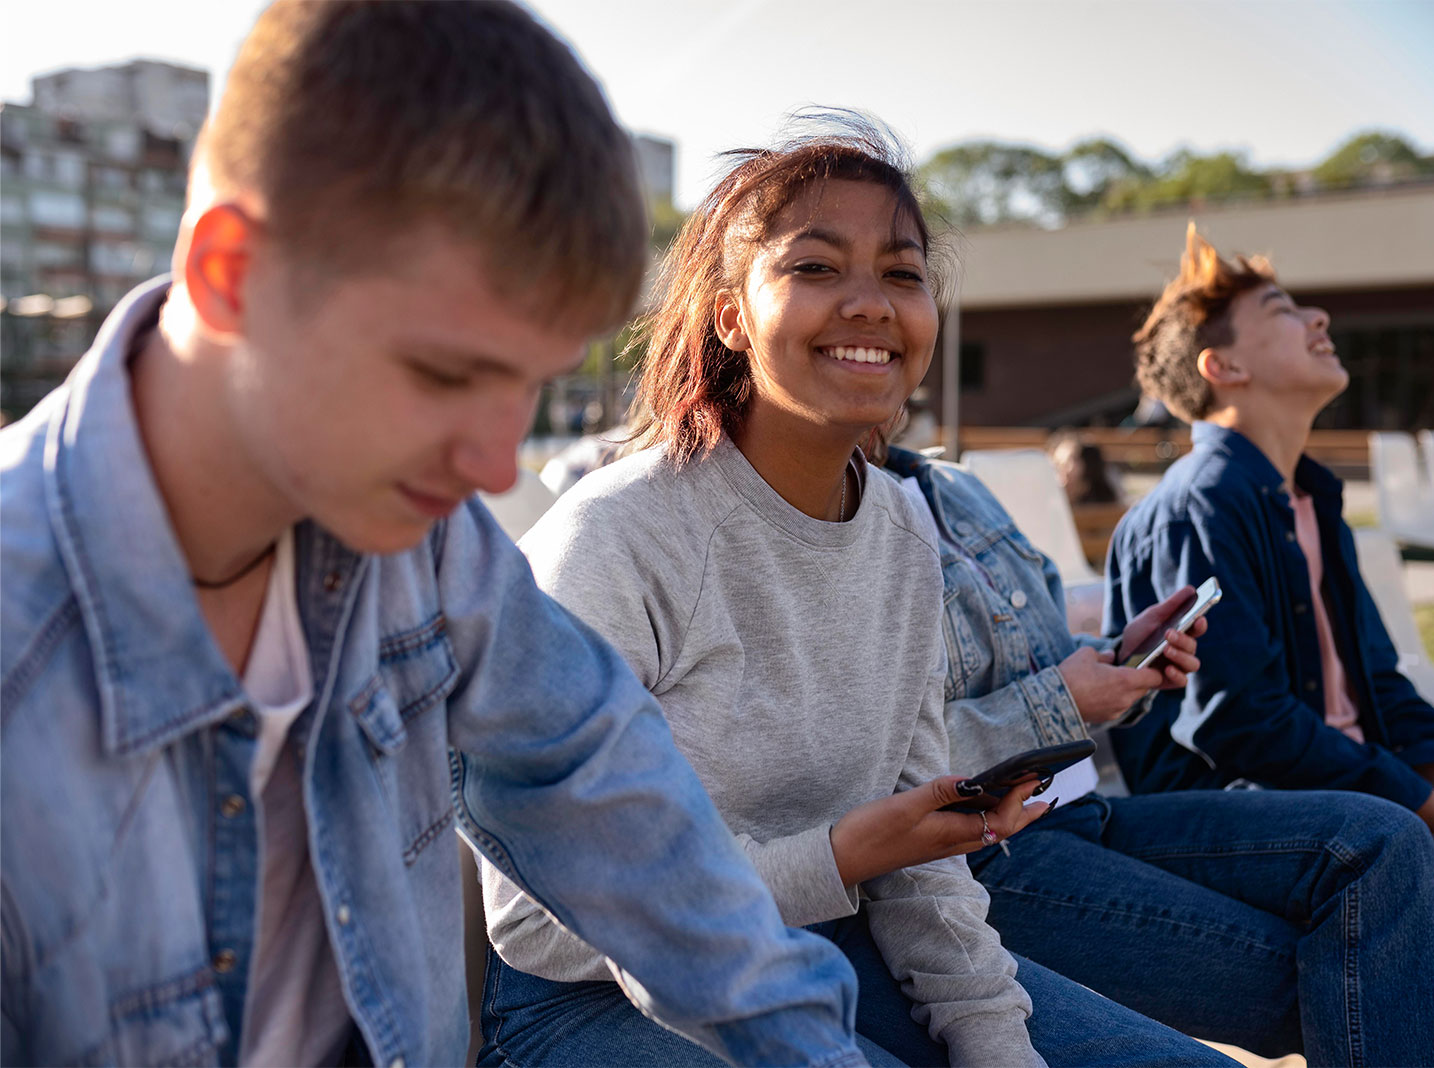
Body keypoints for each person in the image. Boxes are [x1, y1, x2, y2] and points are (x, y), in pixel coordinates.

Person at [0, 5, 869, 1066]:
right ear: (231, 272)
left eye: (525, 385)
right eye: (444, 376)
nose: (495, 466)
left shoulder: (414, 534)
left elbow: (594, 779)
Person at [477, 121, 1239, 1068]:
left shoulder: (907, 533)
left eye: (903, 275)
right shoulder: (618, 539)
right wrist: (838, 858)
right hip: (587, 1004)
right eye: (816, 268)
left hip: (832, 948)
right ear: (728, 317)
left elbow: (925, 876)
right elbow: (541, 925)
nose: (871, 305)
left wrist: (999, 1047)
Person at [1104, 223, 1434, 1067]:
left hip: (1363, 786)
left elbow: (1381, 689)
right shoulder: (1202, 503)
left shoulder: (1311, 500)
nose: (1320, 318)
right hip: (1252, 809)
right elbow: (1242, 726)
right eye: (1285, 311)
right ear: (1225, 367)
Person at [880, 442, 1434, 1066]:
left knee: (1382, 838)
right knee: (1363, 969)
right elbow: (878, 760)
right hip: (985, 852)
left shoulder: (950, 484)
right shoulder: (855, 520)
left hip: (1081, 806)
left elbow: (1034, 653)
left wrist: (1116, 659)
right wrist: (1060, 699)